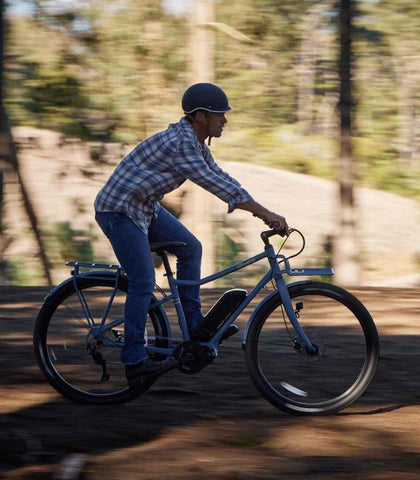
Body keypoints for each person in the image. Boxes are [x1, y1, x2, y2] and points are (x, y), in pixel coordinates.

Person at [94, 83, 288, 385]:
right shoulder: (182, 144)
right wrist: (265, 214)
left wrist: (262, 208)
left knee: (191, 248)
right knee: (143, 280)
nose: (225, 120)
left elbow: (221, 176)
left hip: (144, 206)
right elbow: (214, 185)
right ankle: (134, 359)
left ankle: (196, 327)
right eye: (219, 114)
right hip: (118, 210)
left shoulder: (197, 142)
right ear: (200, 116)